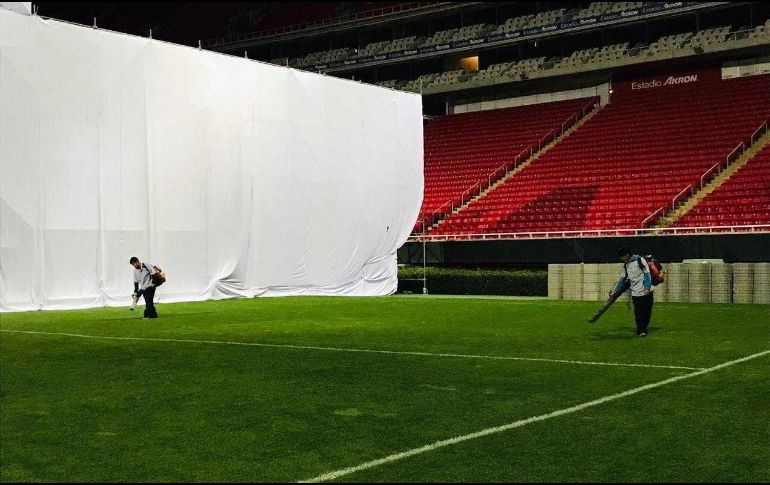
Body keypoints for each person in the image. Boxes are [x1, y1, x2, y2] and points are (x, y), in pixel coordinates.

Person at [610, 247, 653, 337]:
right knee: (638, 312)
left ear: (627, 255)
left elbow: (647, 273)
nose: (620, 259)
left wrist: (647, 287)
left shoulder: (639, 260)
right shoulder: (626, 265)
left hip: (647, 291)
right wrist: (616, 291)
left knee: (647, 311)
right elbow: (622, 279)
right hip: (636, 293)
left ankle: (644, 326)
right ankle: (641, 330)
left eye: (621, 257)